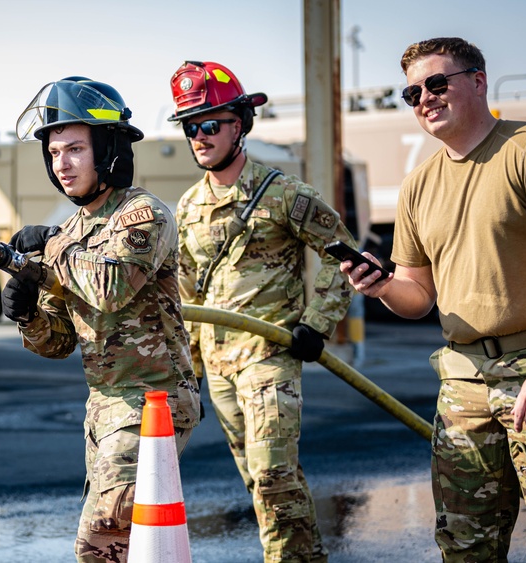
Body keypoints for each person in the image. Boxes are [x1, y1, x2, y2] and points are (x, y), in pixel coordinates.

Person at [342, 37, 526, 561]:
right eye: (412, 91)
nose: (425, 98)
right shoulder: (417, 186)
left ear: (478, 81)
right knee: (466, 547)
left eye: (437, 84)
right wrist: (379, 286)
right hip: (464, 384)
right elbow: (417, 296)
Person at [2, 76, 201, 563]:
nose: (61, 164)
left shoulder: (141, 215)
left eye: (73, 149)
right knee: (127, 547)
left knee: (100, 543)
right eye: (53, 154)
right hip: (106, 410)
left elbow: (111, 289)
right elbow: (60, 342)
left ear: (108, 149)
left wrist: (51, 247)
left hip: (153, 402)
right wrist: (28, 312)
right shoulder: (72, 230)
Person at [168, 60, 356, 562]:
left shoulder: (284, 194)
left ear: (239, 125)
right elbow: (187, 297)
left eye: (210, 124)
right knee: (261, 483)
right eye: (191, 127)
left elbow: (344, 259)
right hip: (220, 366)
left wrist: (317, 323)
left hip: (271, 358)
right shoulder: (187, 207)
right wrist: (190, 376)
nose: (200, 137)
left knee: (273, 474)